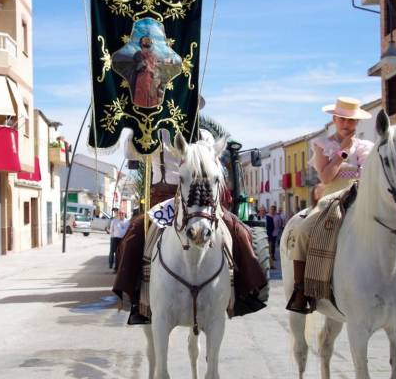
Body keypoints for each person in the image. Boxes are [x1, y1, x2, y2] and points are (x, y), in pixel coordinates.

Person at [113, 129, 268, 324]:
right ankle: (136, 297)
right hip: (161, 197)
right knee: (134, 233)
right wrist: (136, 129)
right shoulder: (153, 130)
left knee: (239, 230)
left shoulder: (205, 135)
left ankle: (245, 291)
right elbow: (130, 154)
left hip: (200, 198)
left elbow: (213, 168)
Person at [286, 97, 373, 313]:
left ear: (357, 124)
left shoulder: (365, 147)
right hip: (332, 199)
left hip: (362, 199)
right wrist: (343, 152)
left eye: (351, 121)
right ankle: (301, 290)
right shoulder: (322, 145)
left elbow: (368, 175)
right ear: (334, 119)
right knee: (304, 231)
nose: (347, 124)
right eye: (342, 119)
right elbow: (326, 177)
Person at [131, 36, 162, 107]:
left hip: (152, 81)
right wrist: (152, 71)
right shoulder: (138, 54)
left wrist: (156, 76)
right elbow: (142, 65)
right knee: (142, 99)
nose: (147, 42)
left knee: (152, 99)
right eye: (145, 41)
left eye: (148, 41)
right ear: (141, 44)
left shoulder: (154, 55)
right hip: (142, 80)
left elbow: (157, 68)